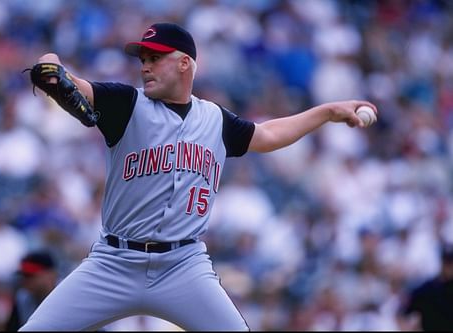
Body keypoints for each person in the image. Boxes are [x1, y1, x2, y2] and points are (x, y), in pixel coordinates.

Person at [20, 22, 378, 331]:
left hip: (182, 266)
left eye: (155, 58)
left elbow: (268, 135)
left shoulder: (216, 120)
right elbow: (67, 81)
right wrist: (48, 65)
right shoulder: (126, 104)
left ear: (184, 63)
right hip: (114, 262)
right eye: (143, 59)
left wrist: (328, 111)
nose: (146, 67)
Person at [398, 244, 453, 331]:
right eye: (448, 262)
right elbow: (401, 313)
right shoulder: (427, 289)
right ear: (442, 263)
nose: (450, 267)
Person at [5, 250, 58, 331]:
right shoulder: (22, 298)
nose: (24, 280)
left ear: (51, 275)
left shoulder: (68, 295)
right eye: (23, 275)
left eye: (30, 275)